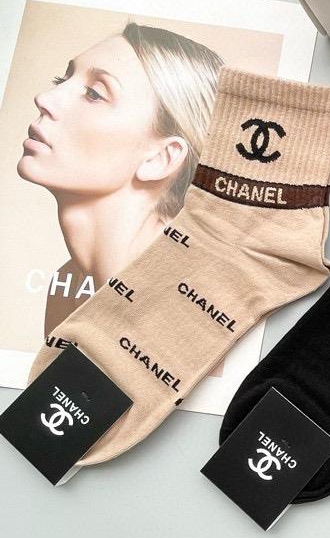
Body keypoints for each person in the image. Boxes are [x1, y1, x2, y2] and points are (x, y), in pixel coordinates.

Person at [17, 20, 223, 335]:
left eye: (94, 94)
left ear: (160, 159)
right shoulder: (70, 287)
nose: (44, 98)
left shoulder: (185, 301)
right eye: (63, 79)